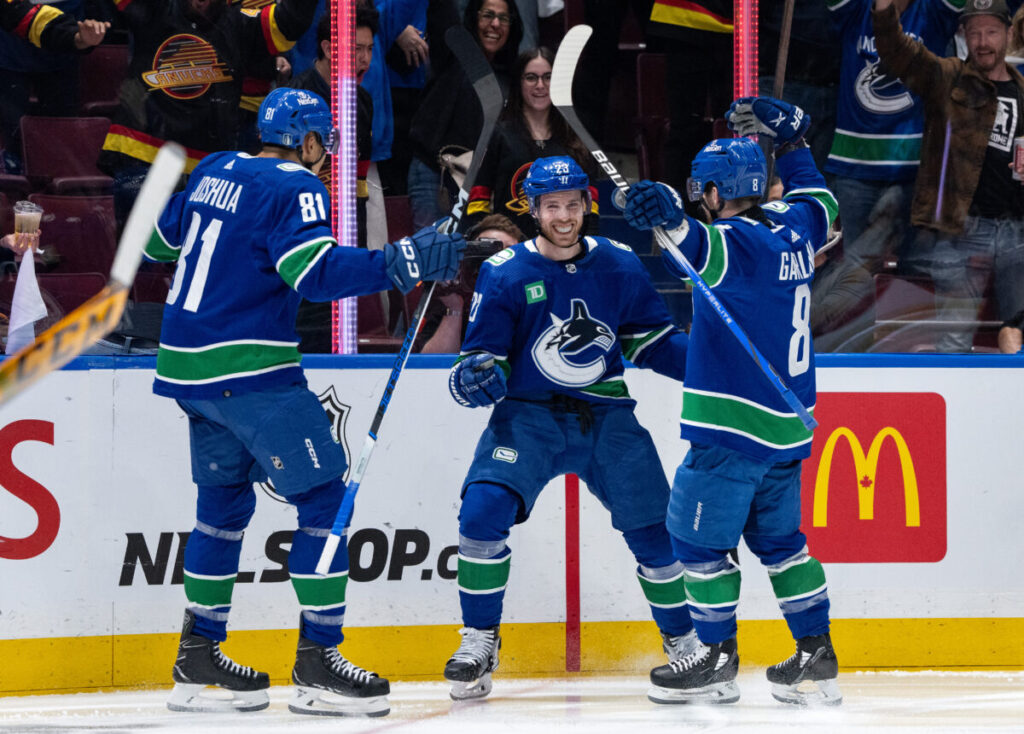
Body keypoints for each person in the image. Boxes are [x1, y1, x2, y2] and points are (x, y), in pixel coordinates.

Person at [145, 87, 465, 717]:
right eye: (324, 144)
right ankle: (319, 661)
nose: (325, 158)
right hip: (249, 369)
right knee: (323, 498)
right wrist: (398, 259)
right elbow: (313, 274)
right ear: (309, 139)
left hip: (186, 369)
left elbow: (159, 246)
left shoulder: (215, 168)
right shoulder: (296, 184)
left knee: (221, 510)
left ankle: (197, 651)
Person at [442, 155, 696, 701]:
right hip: (529, 415)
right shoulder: (505, 270)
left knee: (654, 534)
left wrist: (709, 363)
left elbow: (649, 341)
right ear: (533, 209)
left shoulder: (622, 263)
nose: (563, 216)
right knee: (482, 513)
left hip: (606, 415)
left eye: (572, 204)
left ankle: (685, 645)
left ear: (587, 205)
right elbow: (486, 353)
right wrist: (475, 375)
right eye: (552, 206)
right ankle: (480, 640)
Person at [622, 96, 842, 706]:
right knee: (782, 545)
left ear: (718, 191)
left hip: (732, 435)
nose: (700, 199)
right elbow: (821, 200)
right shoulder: (795, 228)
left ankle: (716, 657)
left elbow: (694, 244)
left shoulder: (734, 245)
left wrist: (667, 214)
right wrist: (794, 143)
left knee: (694, 543)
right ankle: (815, 654)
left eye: (703, 191)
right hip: (789, 426)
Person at [874, 0, 1024, 352]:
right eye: (974, 32)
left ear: (1009, 34)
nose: (983, 41)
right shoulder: (948, 76)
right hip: (963, 229)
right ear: (964, 36)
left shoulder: (1023, 91)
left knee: (1017, 328)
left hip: (1017, 228)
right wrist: (883, 11)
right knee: (954, 337)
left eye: (991, 32)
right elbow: (899, 53)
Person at [98, 0, 320, 227]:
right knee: (136, 258)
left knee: (198, 257)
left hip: (206, 170)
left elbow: (291, 21)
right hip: (140, 156)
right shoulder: (154, 9)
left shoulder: (240, 23)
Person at [826, 0, 963, 280]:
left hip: (914, 170)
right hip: (855, 165)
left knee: (915, 276)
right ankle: (861, 325)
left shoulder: (933, 12)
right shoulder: (854, 9)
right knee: (856, 277)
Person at [406, 0, 523, 228]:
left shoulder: (513, 77)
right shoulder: (456, 53)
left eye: (504, 18)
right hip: (435, 175)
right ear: (473, 18)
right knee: (433, 256)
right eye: (487, 15)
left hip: (481, 185)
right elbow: (443, 16)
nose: (495, 24)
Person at [463, 47, 599, 240]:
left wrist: (588, 245)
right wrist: (484, 243)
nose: (540, 85)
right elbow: (478, 200)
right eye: (531, 77)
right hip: (511, 251)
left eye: (548, 77)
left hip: (562, 249)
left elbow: (590, 206)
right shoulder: (498, 134)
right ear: (519, 83)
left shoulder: (577, 137)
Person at [419, 213, 523, 353]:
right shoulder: (456, 287)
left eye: (509, 251)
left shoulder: (530, 290)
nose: (499, 258)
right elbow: (429, 365)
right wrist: (455, 308)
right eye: (487, 248)